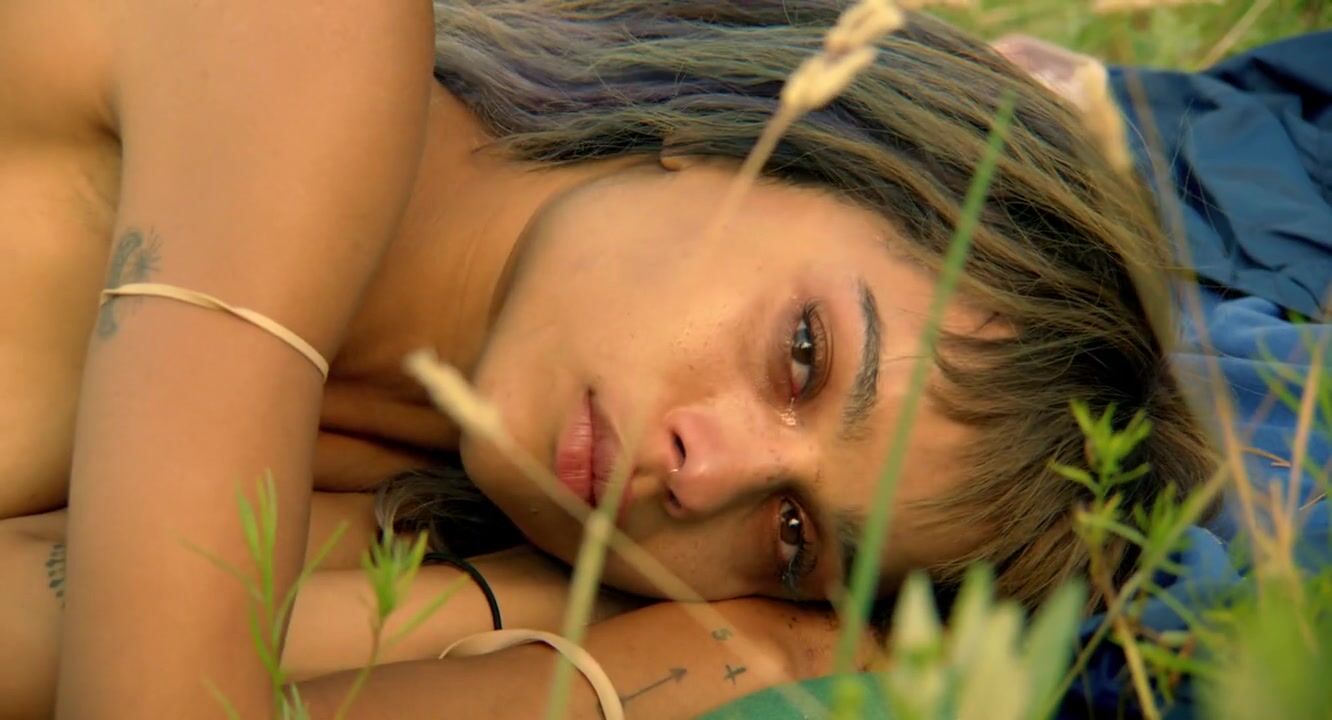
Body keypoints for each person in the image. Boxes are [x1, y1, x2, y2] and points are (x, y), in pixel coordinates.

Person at [0, 1, 1215, 718]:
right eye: (802, 356)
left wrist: (560, 613)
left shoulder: (392, 486)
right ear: (748, 135)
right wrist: (623, 664)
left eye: (794, 538)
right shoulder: (313, 50)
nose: (706, 474)